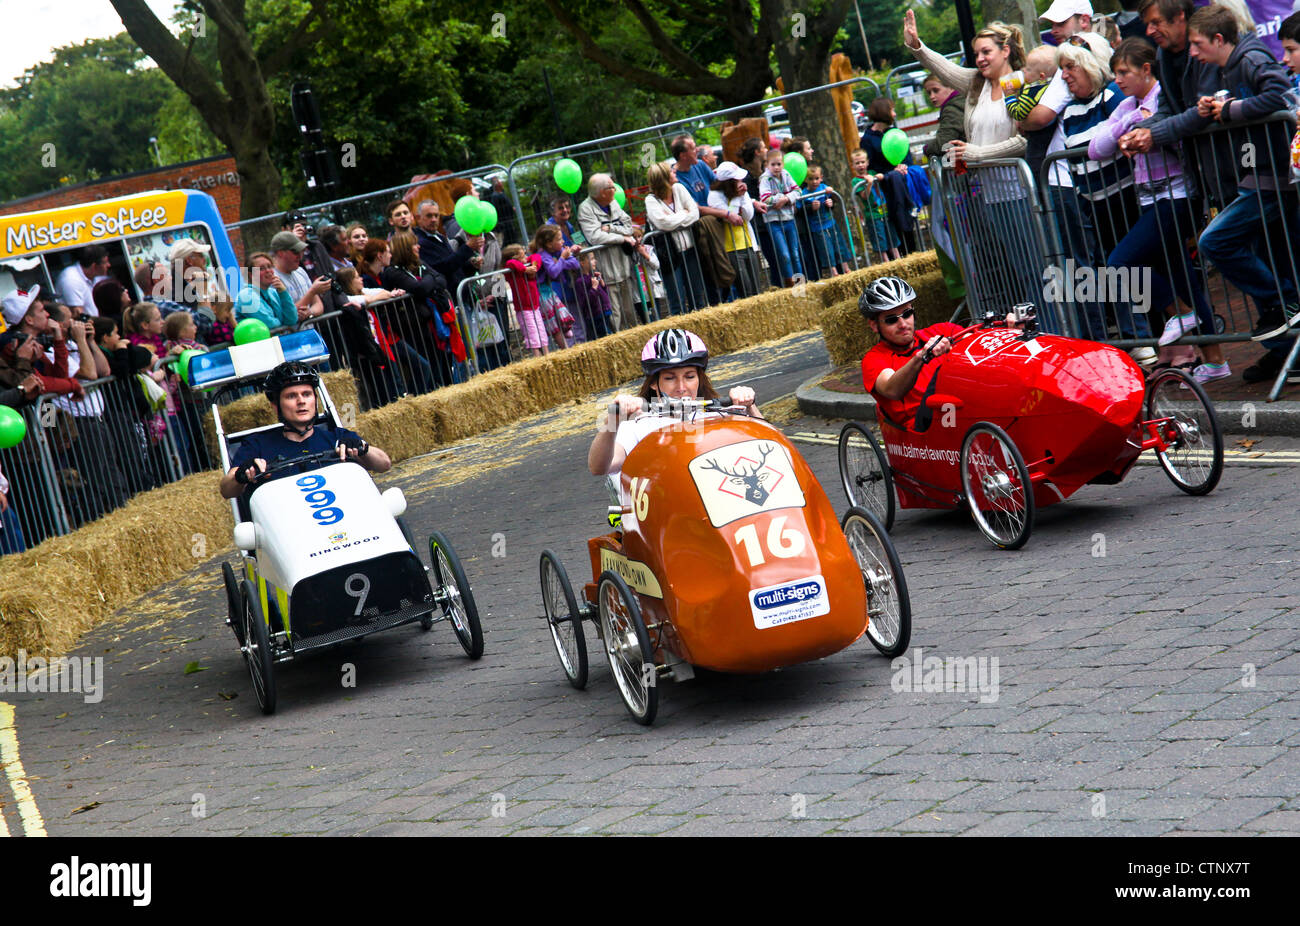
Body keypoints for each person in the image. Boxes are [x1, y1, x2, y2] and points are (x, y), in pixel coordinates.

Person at [1088, 37, 1228, 381]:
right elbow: (1096, 147)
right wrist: (1130, 124)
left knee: (1120, 262)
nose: (1117, 80)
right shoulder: (1130, 105)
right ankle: (1215, 360)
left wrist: (1142, 129)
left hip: (1177, 195)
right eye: (1114, 73)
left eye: (1124, 72)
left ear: (1146, 69)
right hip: (1149, 198)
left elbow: (1174, 130)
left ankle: (1181, 314)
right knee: (1184, 278)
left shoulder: (1163, 96)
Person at [1186, 4, 1299, 347]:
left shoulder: (1250, 59)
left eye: (1197, 44)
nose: (1192, 52)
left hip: (1271, 179)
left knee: (1213, 241)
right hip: (1257, 177)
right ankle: (1286, 335)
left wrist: (1232, 109)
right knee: (1276, 256)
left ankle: (1283, 303)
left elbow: (1278, 96)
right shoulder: (1225, 69)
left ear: (1218, 39)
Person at [588, 329, 762, 477]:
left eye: (690, 376)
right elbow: (598, 468)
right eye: (670, 378)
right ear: (654, 383)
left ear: (700, 379)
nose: (681, 387)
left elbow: (770, 445)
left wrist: (749, 405)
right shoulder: (637, 424)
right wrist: (612, 421)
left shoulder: (720, 414)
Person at [220, 362, 391, 500]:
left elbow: (384, 464)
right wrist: (241, 475)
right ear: (275, 405)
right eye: (291, 396)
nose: (301, 401)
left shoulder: (337, 436)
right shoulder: (257, 444)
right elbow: (226, 490)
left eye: (307, 394)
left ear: (315, 400)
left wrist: (363, 448)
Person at [857, 276, 964, 431]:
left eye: (907, 314)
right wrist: (921, 357)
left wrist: (1007, 327)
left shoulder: (943, 330)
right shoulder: (874, 359)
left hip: (960, 410)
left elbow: (978, 341)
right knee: (941, 379)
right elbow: (892, 389)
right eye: (891, 319)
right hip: (925, 427)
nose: (903, 324)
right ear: (874, 325)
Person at [577, 173, 641, 331]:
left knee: (629, 312)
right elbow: (595, 236)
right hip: (606, 270)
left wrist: (611, 228)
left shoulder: (613, 203)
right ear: (601, 192)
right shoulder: (585, 209)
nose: (615, 189)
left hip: (623, 267)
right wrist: (623, 239)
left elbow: (628, 227)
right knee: (615, 315)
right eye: (611, 187)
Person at [643, 160, 708, 315]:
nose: (675, 172)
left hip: (690, 249)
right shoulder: (650, 200)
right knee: (676, 300)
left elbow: (695, 213)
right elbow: (662, 223)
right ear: (663, 178)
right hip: (669, 255)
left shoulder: (679, 188)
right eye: (671, 172)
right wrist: (683, 214)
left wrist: (674, 219)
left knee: (698, 296)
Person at [860, 98, 918, 254]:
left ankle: (913, 253)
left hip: (901, 186)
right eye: (892, 110)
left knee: (907, 224)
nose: (895, 113)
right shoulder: (867, 139)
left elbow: (905, 155)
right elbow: (870, 167)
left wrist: (904, 166)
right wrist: (887, 174)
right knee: (892, 227)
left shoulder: (894, 134)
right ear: (884, 112)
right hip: (884, 190)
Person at [708, 162, 763, 298]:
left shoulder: (741, 193)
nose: (741, 182)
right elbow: (733, 218)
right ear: (728, 182)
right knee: (746, 289)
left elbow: (747, 216)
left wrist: (742, 197)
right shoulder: (714, 195)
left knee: (756, 288)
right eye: (737, 180)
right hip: (730, 248)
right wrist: (737, 198)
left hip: (748, 243)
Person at [758, 149, 803, 286]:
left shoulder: (786, 174)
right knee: (784, 255)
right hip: (774, 221)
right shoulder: (765, 179)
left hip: (789, 218)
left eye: (779, 164)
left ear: (783, 164)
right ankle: (790, 284)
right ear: (767, 165)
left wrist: (786, 198)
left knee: (795, 254)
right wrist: (780, 198)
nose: (776, 167)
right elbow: (765, 198)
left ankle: (800, 284)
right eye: (773, 164)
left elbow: (798, 191)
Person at [799, 163, 853, 277]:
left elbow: (834, 199)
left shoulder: (824, 188)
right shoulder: (803, 194)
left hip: (831, 223)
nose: (814, 181)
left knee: (839, 245)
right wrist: (810, 208)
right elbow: (800, 209)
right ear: (805, 179)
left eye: (817, 178)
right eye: (811, 179)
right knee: (826, 249)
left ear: (821, 178)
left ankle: (846, 268)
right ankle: (834, 271)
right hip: (817, 228)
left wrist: (831, 202)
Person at [269, 230, 329, 323]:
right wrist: (312, 292)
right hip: (288, 335)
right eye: (295, 252)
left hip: (307, 332)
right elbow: (286, 315)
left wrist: (310, 312)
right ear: (280, 253)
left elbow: (318, 305)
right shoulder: (271, 278)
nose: (300, 256)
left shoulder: (300, 271)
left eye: (302, 251)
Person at [502, 243, 548, 357]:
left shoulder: (528, 265)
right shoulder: (512, 270)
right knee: (532, 334)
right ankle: (537, 357)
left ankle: (547, 355)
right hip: (524, 309)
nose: (525, 258)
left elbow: (536, 257)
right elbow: (510, 263)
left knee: (541, 331)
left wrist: (533, 266)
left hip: (535, 307)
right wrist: (525, 269)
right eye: (522, 257)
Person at [234, 252, 298, 331]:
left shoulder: (273, 292)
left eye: (269, 266)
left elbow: (292, 320)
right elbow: (268, 324)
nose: (268, 271)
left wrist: (283, 293)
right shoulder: (246, 296)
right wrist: (283, 322)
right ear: (251, 274)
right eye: (261, 268)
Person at [56, 246, 110, 317]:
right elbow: (78, 315)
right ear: (94, 266)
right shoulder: (71, 280)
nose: (109, 265)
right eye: (105, 262)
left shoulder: (98, 277)